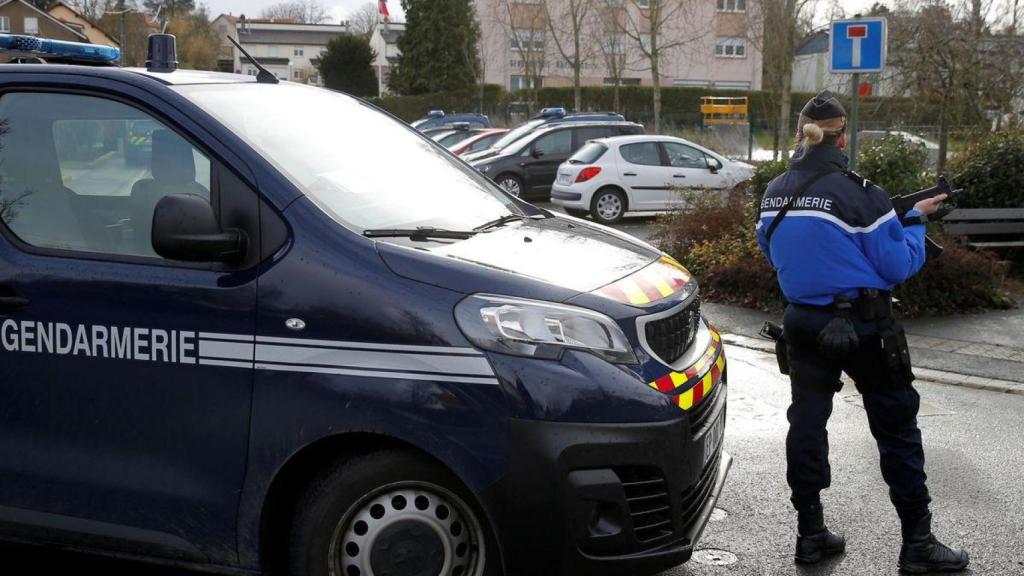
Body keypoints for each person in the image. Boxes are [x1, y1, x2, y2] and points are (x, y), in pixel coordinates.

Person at [756, 90, 969, 574]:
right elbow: (895, 265)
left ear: (801, 136)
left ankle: (810, 536)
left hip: (804, 323)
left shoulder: (774, 192)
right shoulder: (860, 192)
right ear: (843, 137)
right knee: (897, 429)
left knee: (806, 426)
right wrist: (914, 222)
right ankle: (918, 542)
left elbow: (774, 253)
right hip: (866, 327)